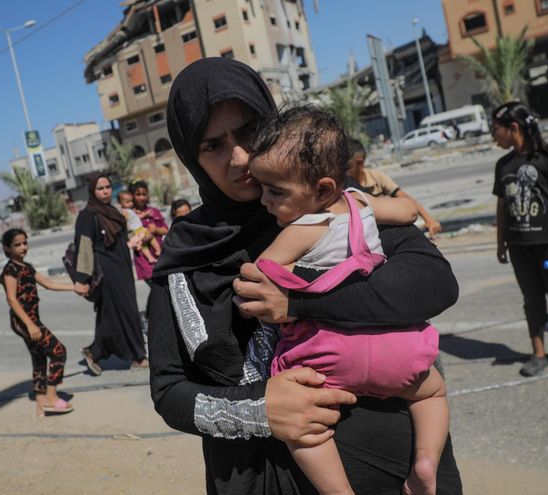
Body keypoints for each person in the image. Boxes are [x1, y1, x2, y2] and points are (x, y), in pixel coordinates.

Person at [150, 57, 462, 494]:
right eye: (212, 146)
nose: (239, 157)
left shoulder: (335, 202)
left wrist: (299, 303)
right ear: (191, 157)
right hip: (256, 477)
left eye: (248, 131)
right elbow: (169, 392)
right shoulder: (184, 258)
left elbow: (434, 284)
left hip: (398, 467)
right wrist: (261, 409)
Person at [249, 107, 449, 495]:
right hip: (397, 348)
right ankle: (425, 461)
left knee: (306, 431)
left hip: (328, 357)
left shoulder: (302, 228)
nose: (264, 201)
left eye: (275, 191)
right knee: (433, 391)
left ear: (322, 189)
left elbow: (262, 275)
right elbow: (407, 211)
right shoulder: (360, 205)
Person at [491, 101, 548, 381]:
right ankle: (539, 354)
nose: (494, 135)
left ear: (514, 128)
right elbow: (502, 207)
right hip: (520, 248)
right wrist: (501, 242)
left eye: (496, 130)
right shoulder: (504, 164)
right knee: (531, 300)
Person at [72, 174, 148, 374]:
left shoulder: (113, 211)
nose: (105, 191)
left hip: (122, 267)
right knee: (127, 310)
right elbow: (84, 247)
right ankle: (138, 356)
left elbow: (123, 236)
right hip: (106, 270)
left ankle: (95, 352)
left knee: (112, 314)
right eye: (100, 188)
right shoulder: (88, 215)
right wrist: (82, 279)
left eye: (107, 187)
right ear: (92, 192)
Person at [0, 228, 75, 416]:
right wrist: (30, 325)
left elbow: (48, 283)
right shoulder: (11, 270)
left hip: (32, 319)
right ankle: (51, 396)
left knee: (39, 358)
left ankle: (41, 405)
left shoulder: (27, 267)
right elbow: (11, 299)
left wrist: (74, 287)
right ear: (7, 248)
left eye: (25, 242)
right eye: (18, 244)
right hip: (24, 321)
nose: (23, 247)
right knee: (58, 351)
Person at [347, 139, 442, 238]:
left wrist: (429, 220)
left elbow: (406, 199)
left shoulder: (377, 177)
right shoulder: (345, 186)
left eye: (346, 166)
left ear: (359, 163)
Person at [129, 180, 169, 281]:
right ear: (132, 195)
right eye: (138, 194)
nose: (141, 197)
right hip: (143, 259)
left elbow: (166, 230)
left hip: (160, 256)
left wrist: (155, 229)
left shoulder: (154, 211)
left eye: (144, 194)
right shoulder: (129, 215)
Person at [118, 190, 160, 264]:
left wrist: (144, 214)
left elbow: (136, 217)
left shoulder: (129, 210)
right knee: (149, 239)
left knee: (145, 243)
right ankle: (157, 251)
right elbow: (124, 221)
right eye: (127, 202)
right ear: (120, 203)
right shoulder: (124, 211)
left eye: (131, 201)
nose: (130, 203)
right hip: (137, 230)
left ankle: (152, 256)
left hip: (138, 229)